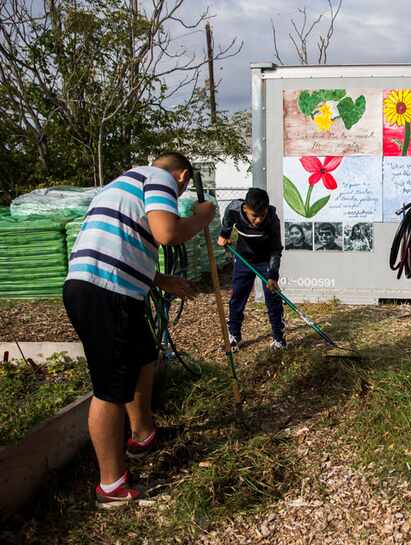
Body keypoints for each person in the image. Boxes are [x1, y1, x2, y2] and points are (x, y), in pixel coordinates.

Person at [63, 152, 215, 508]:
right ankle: (111, 487)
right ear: (183, 176)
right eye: (185, 188)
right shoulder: (160, 178)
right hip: (106, 293)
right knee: (111, 387)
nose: (180, 195)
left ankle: (143, 435)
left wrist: (162, 281)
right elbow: (167, 232)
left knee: (145, 355)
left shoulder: (120, 184)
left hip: (103, 288)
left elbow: (120, 245)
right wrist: (199, 218)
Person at [217, 188, 286, 352]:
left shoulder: (271, 219)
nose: (258, 220)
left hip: (265, 261)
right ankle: (234, 336)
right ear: (245, 208)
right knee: (237, 297)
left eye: (262, 215)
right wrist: (224, 234)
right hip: (243, 259)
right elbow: (227, 222)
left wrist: (273, 275)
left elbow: (276, 249)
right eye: (254, 216)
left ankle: (279, 338)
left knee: (273, 300)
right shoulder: (234, 209)